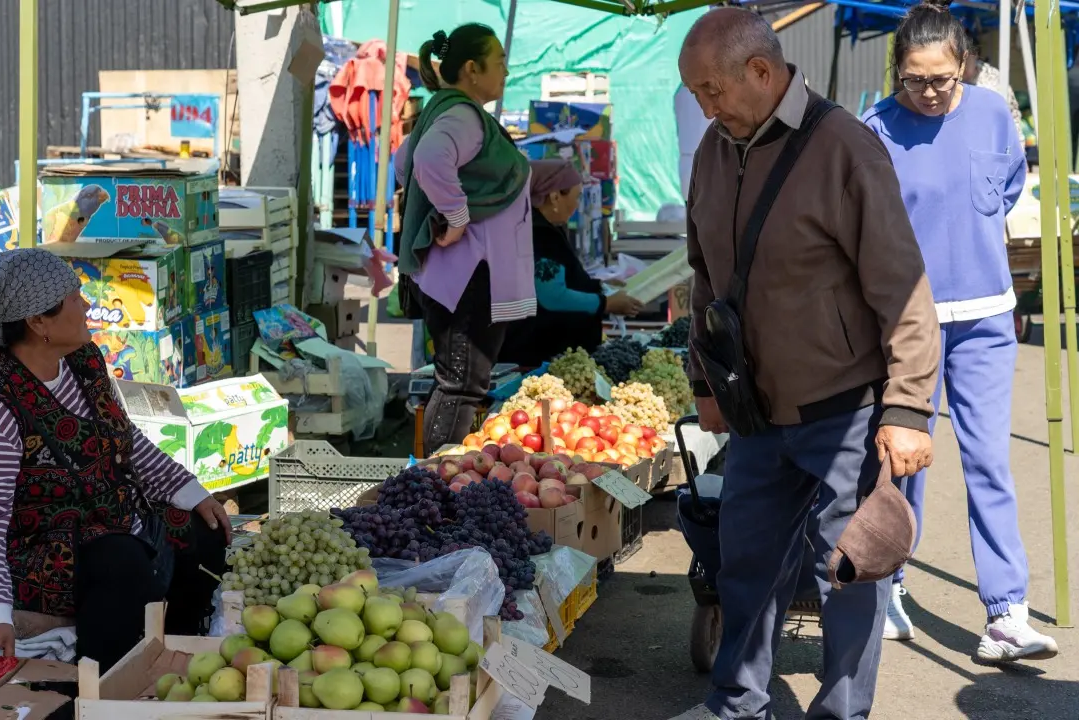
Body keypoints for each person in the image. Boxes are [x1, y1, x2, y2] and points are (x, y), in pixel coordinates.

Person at [672, 8, 941, 720]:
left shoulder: (845, 147)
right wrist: (705, 381)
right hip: (755, 411)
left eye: (711, 90)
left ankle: (840, 713)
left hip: (844, 408)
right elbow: (705, 277)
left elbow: (904, 288)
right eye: (696, 93)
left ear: (760, 71)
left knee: (847, 573)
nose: (705, 106)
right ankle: (735, 705)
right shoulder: (713, 150)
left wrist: (909, 409)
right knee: (745, 566)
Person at [862, 1, 1059, 662]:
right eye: (916, 79)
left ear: (964, 67)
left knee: (989, 463)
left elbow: (1004, 190)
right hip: (906, 327)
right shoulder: (875, 130)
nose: (930, 91)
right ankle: (887, 583)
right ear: (898, 72)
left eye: (943, 78)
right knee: (904, 463)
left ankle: (1007, 613)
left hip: (986, 319)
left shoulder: (992, 114)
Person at [0, 248, 232, 674]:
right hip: (27, 553)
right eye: (74, 297)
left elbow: (125, 442)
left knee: (204, 532)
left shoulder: (81, 363)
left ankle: (178, 661)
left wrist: (192, 493)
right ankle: (106, 687)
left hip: (101, 524)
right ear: (38, 322)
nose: (87, 304)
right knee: (121, 562)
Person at [398, 23, 535, 454]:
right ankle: (437, 486)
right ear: (472, 69)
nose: (506, 72)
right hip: (470, 275)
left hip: (461, 275)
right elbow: (425, 158)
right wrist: (456, 215)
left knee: (461, 383)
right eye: (499, 64)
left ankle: (441, 483)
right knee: (460, 385)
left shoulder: (446, 110)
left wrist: (452, 203)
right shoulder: (462, 114)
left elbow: (404, 165)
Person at [499, 159, 643, 366]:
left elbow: (561, 278)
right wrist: (606, 304)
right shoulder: (539, 234)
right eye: (576, 197)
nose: (577, 205)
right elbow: (551, 296)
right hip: (537, 354)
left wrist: (599, 286)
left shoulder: (539, 228)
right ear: (555, 197)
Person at [962, 36, 1025, 148]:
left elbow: (1012, 117)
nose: (961, 66)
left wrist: (1020, 152)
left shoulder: (993, 80)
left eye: (965, 59)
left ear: (975, 55)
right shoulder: (947, 79)